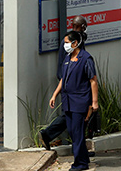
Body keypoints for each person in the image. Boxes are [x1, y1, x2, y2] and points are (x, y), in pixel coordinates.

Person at [49, 31, 99, 171]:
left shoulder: (86, 58)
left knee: (77, 132)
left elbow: (93, 80)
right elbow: (63, 79)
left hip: (80, 101)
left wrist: (94, 102)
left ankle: (80, 164)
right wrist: (55, 94)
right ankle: (84, 158)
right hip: (68, 101)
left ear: (75, 43)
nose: (65, 45)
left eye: (66, 42)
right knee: (72, 131)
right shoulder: (67, 58)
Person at [39, 16, 89, 151]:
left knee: (74, 115)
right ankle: (48, 134)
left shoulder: (74, 38)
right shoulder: (73, 41)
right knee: (73, 115)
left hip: (69, 80)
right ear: (82, 26)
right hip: (70, 82)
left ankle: (79, 149)